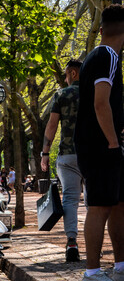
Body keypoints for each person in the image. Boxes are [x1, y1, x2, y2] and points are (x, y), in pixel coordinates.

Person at [74, 4, 124, 281]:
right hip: (101, 144)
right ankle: (92, 274)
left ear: (102, 29)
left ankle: (120, 268)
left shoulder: (98, 55)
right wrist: (113, 141)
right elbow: (100, 102)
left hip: (99, 143)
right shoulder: (108, 56)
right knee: (101, 206)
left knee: (117, 204)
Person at [41, 59, 83, 262]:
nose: (65, 79)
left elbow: (52, 125)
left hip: (68, 155)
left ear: (73, 74)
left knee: (70, 199)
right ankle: (95, 245)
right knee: (95, 203)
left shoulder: (62, 95)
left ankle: (72, 241)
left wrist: (45, 153)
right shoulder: (98, 91)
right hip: (94, 155)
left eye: (66, 75)